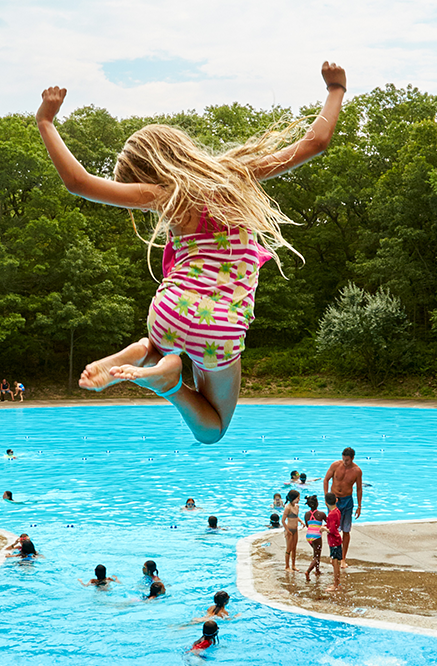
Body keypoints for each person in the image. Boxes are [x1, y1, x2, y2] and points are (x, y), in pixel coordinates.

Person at [35, 62, 347, 444]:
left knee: (167, 357)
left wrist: (46, 122)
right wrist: (335, 89)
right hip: (219, 325)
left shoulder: (164, 196)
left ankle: (153, 360)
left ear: (146, 174)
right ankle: (166, 381)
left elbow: (78, 182)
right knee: (213, 429)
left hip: (170, 311)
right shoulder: (236, 175)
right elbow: (316, 143)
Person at [323, 447, 362, 560]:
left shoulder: (357, 471)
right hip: (333, 500)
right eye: (343, 459)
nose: (345, 462)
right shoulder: (336, 465)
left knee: (346, 530)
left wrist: (359, 506)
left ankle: (343, 558)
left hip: (347, 500)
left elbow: (359, 489)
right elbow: (326, 480)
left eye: (347, 460)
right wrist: (326, 496)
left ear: (352, 458)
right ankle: (334, 555)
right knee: (332, 529)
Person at [303, 496, 325, 581]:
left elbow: (308, 525)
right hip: (317, 536)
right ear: (317, 503)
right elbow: (329, 522)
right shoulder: (321, 514)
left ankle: (317, 570)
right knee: (317, 555)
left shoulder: (306, 514)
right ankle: (308, 571)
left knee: (315, 553)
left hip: (309, 536)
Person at [324, 491, 343, 588]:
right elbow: (335, 525)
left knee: (335, 563)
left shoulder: (331, 514)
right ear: (336, 500)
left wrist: (324, 528)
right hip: (337, 540)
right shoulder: (337, 511)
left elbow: (331, 530)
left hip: (333, 541)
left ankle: (336, 584)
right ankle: (337, 582)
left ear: (326, 503)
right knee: (334, 561)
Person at [281, 489, 301, 571]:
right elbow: (283, 520)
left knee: (294, 548)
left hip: (295, 529)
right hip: (289, 529)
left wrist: (301, 522)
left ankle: (293, 565)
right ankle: (287, 566)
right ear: (293, 498)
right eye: (298, 498)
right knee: (288, 548)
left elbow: (295, 517)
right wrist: (287, 530)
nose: (299, 500)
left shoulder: (297, 507)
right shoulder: (288, 508)